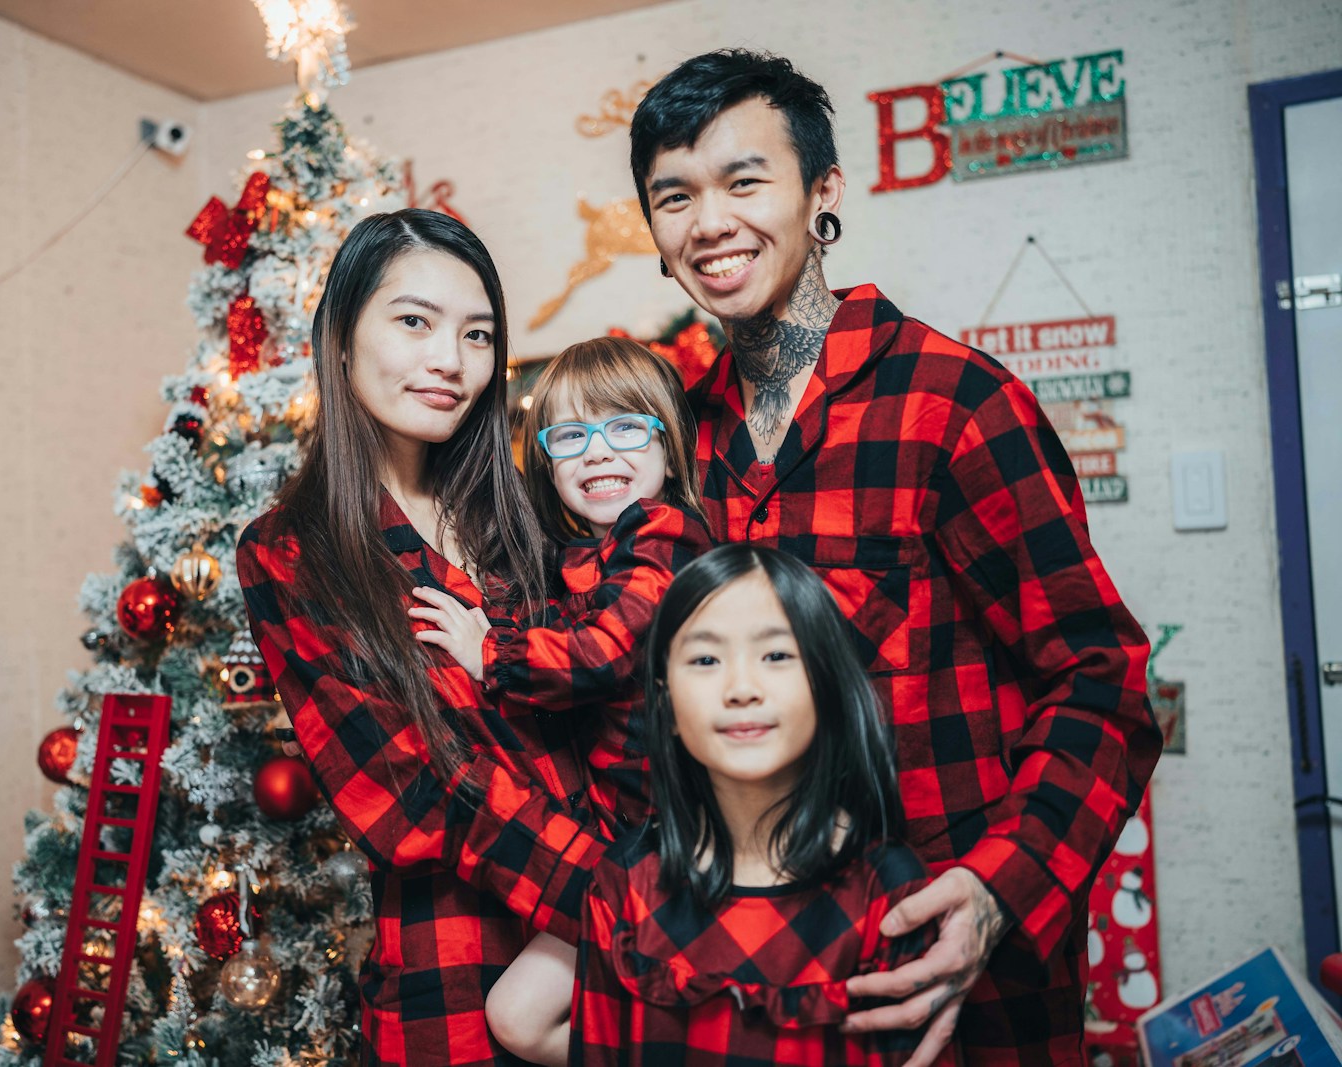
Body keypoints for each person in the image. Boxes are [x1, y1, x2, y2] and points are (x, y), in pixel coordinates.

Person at [628, 50, 1160, 1066]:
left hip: (956, 977)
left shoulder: (954, 405)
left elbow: (1101, 681)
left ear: (822, 192)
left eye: (744, 180)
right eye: (673, 196)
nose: (707, 222)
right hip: (765, 978)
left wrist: (1002, 891)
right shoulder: (676, 444)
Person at [237, 209, 608, 1066]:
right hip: (459, 983)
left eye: (477, 334)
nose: (451, 360)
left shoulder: (529, 515)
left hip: (619, 966)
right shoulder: (293, 551)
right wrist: (634, 895)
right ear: (340, 336)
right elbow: (414, 795)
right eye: (414, 321)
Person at [463, 544, 951, 1065]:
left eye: (777, 655)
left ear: (825, 684)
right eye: (705, 659)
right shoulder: (625, 886)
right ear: (666, 702)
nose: (741, 687)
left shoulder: (888, 892)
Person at [409, 336, 711, 1065]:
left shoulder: (670, 536)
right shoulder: (577, 560)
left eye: (627, 428)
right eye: (572, 435)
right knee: (516, 1017)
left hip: (683, 837)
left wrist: (490, 652)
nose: (599, 453)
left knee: (524, 1014)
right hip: (618, 845)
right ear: (545, 459)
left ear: (669, 449)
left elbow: (610, 648)